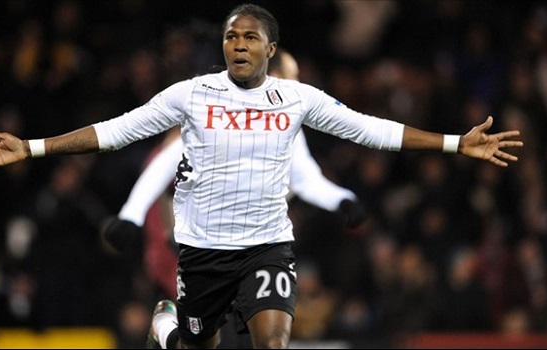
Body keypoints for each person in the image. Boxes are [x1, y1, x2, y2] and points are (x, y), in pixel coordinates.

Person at [0, 3, 523, 348]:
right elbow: (117, 130)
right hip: (204, 250)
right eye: (232, 36)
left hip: (267, 246)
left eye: (250, 37)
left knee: (273, 344)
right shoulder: (192, 95)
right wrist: (33, 147)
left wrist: (455, 142)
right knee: (194, 344)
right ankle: (170, 325)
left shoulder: (296, 99)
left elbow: (368, 129)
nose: (238, 44)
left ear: (270, 49)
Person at [101, 47, 367, 299]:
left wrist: (342, 200)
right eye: (293, 76)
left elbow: (307, 180)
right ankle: (168, 324)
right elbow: (163, 165)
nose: (300, 84)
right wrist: (131, 216)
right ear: (275, 78)